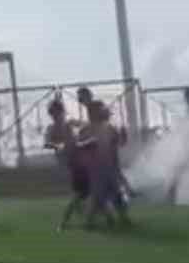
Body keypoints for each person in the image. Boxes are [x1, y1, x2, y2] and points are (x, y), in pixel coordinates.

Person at [78, 101, 132, 229]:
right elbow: (79, 146)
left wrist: (124, 137)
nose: (103, 111)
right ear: (92, 113)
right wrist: (89, 143)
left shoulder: (110, 128)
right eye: (99, 110)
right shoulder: (85, 129)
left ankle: (122, 218)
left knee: (117, 194)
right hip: (95, 169)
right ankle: (90, 222)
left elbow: (119, 144)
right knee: (98, 195)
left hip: (110, 167)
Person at [44, 95, 89, 231]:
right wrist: (59, 146)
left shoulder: (69, 123)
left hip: (79, 161)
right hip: (70, 164)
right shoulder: (51, 128)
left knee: (82, 193)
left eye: (59, 112)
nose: (58, 115)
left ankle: (83, 217)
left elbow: (85, 124)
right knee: (80, 193)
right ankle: (64, 223)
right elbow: (47, 144)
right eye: (55, 113)